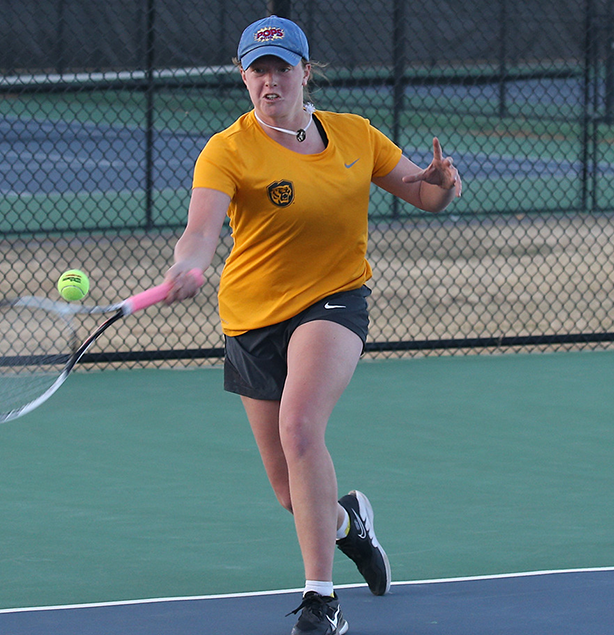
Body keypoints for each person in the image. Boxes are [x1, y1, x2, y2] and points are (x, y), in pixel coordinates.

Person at [161, 15, 461, 635]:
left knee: (302, 426)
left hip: (333, 300)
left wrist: (443, 185)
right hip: (250, 319)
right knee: (289, 492)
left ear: (305, 71)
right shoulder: (228, 149)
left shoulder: (355, 136)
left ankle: (322, 601)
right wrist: (187, 268)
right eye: (258, 70)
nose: (270, 82)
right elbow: (199, 233)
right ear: (245, 77)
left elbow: (426, 196)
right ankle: (352, 525)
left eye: (281, 68)